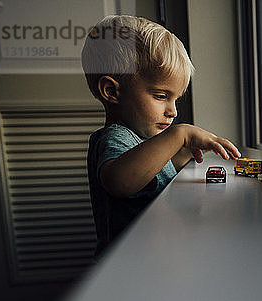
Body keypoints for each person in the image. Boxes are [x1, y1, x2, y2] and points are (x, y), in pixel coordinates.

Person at [81, 15, 240, 256]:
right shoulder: (115, 137)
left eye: (175, 99)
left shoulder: (142, 142)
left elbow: (152, 175)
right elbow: (120, 182)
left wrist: (185, 152)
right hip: (128, 264)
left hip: (154, 254)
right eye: (160, 96)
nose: (173, 111)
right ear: (112, 91)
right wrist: (180, 134)